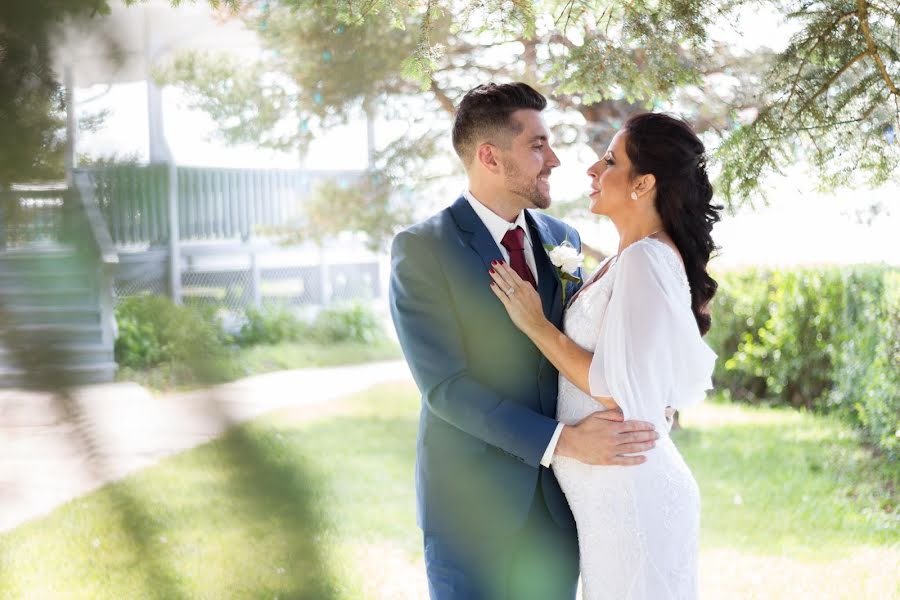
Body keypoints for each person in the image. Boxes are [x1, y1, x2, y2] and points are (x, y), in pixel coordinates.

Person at [389, 82, 662, 600]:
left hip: (558, 510)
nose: (555, 159)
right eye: (537, 145)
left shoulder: (563, 238)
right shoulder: (422, 250)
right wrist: (564, 440)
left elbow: (587, 347)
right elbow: (447, 388)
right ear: (489, 156)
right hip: (471, 514)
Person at [488, 112, 721, 600]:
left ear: (645, 183)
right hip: (613, 501)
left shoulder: (644, 259)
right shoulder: (632, 257)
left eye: (610, 160)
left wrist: (536, 326)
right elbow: (645, 375)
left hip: (631, 500)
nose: (593, 170)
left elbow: (614, 384)